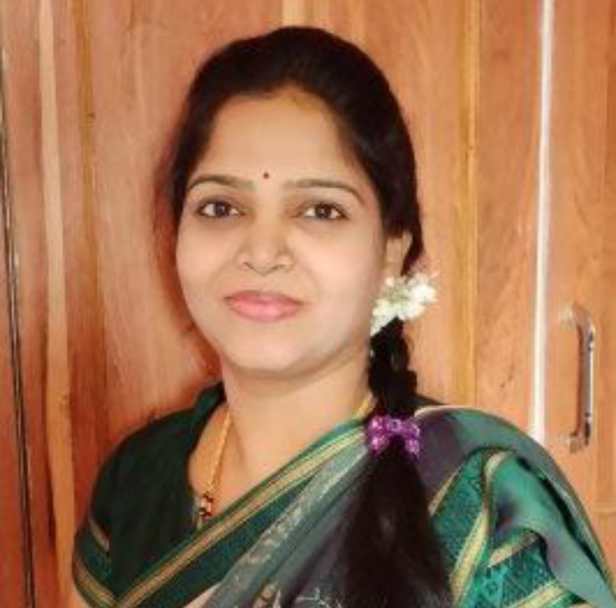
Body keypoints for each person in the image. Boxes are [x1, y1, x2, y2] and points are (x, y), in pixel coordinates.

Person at [69, 25, 616, 607]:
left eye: (320, 210)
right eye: (221, 207)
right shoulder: (138, 480)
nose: (262, 251)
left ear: (392, 250)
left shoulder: (480, 517)